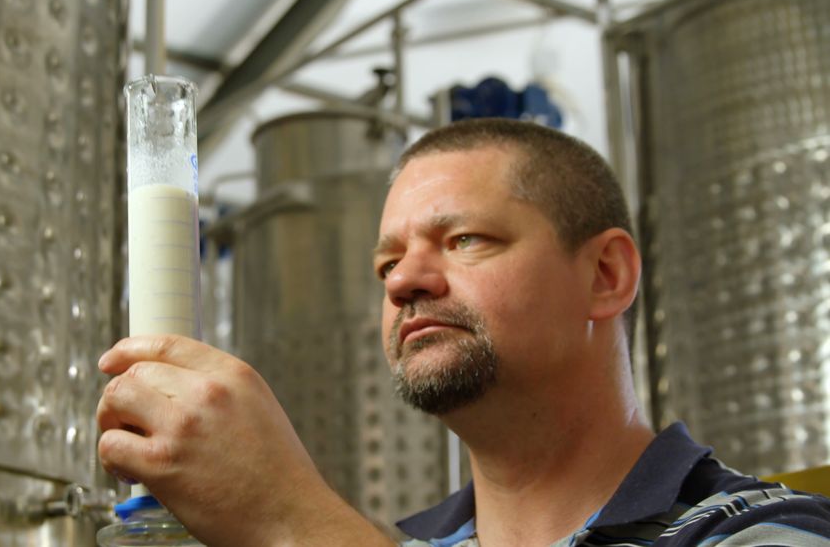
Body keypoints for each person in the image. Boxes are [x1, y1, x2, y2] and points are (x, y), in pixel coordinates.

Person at [96, 118, 830, 546]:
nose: (403, 281)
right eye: (387, 260)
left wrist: (288, 517)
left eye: (465, 240)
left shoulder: (760, 531)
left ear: (606, 274)